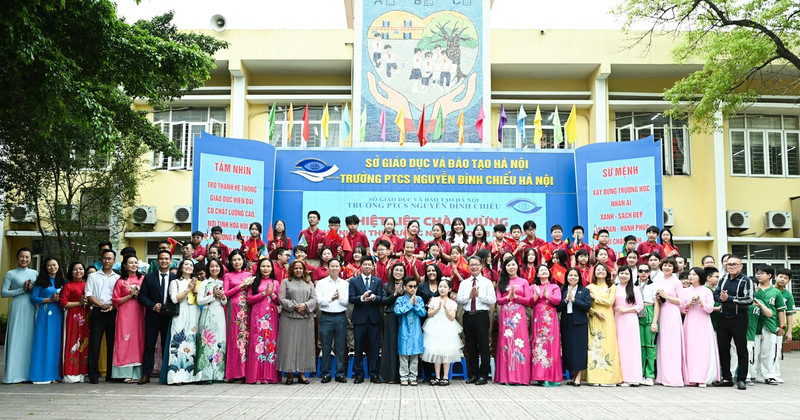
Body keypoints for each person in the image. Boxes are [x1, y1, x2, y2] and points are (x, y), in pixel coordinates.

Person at [713, 255, 754, 390]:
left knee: (741, 349)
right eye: (729, 264)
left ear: (741, 266)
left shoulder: (746, 280)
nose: (731, 267)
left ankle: (741, 379)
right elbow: (716, 294)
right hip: (724, 317)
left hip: (739, 318)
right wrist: (721, 298)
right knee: (723, 349)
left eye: (734, 264)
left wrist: (729, 298)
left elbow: (749, 300)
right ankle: (727, 378)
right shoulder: (723, 278)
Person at [456, 256, 497, 385]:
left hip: (481, 316)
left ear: (481, 266)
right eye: (471, 264)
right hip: (468, 315)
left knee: (484, 346)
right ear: (468, 266)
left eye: (476, 264)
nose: (474, 267)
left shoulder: (487, 282)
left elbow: (492, 300)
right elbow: (459, 300)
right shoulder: (464, 283)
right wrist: (469, 296)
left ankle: (483, 375)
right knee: (471, 346)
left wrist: (479, 296)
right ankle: (473, 374)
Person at [137, 250, 175, 385]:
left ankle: (166, 374)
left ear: (171, 261)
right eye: (161, 259)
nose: (164, 261)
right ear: (157, 261)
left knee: (167, 346)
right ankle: (146, 374)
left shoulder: (175, 278)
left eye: (166, 259)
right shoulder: (149, 277)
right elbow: (141, 296)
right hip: (152, 316)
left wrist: (167, 308)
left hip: (168, 317)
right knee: (149, 346)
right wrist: (153, 306)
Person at [277, 260, 317, 384]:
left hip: (305, 318)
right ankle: (289, 374)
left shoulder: (309, 283)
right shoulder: (285, 282)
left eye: (300, 268)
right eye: (296, 268)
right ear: (291, 270)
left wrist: (305, 305)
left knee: (304, 346)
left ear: (304, 270)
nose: (298, 270)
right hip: (289, 317)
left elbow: (314, 299)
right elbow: (281, 298)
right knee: (289, 346)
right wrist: (295, 306)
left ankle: (302, 373)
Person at [494, 257, 532, 385]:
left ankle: (521, 377)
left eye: (513, 265)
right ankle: (506, 377)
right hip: (506, 316)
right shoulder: (501, 282)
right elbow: (498, 300)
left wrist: (516, 297)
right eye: (508, 265)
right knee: (506, 344)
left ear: (517, 266)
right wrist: (507, 298)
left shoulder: (523, 281)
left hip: (519, 316)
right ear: (505, 267)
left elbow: (528, 300)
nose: (511, 267)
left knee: (519, 344)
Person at [2, 247, 38, 383]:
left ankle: (29, 374)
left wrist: (32, 289)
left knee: (30, 338)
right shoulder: (10, 274)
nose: (24, 259)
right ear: (17, 258)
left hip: (31, 306)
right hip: (17, 307)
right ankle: (13, 375)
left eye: (27, 257)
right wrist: (20, 290)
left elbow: (40, 290)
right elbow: (4, 293)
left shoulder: (35, 273)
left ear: (30, 259)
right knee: (15, 338)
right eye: (22, 256)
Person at [86, 248, 120, 384]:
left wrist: (111, 306)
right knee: (95, 343)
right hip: (97, 311)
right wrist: (100, 305)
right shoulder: (93, 276)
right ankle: (93, 375)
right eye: (105, 258)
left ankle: (111, 374)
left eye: (110, 258)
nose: (107, 260)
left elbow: (118, 296)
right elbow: (89, 294)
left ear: (114, 261)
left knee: (112, 343)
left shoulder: (117, 278)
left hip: (112, 312)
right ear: (102, 260)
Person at [680, 267, 719, 387]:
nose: (690, 276)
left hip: (703, 323)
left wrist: (700, 302)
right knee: (690, 349)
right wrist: (688, 304)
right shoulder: (685, 291)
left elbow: (710, 308)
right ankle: (691, 377)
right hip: (690, 322)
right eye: (690, 274)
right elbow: (681, 308)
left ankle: (702, 377)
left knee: (703, 349)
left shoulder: (706, 291)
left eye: (694, 274)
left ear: (700, 277)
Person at [349, 257, 384, 383]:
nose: (367, 266)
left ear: (373, 267)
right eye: (365, 264)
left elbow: (381, 298)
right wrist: (362, 298)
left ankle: (374, 374)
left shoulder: (378, 281)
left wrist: (375, 298)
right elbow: (351, 299)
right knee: (359, 347)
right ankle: (359, 374)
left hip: (374, 320)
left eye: (370, 264)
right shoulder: (354, 281)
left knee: (374, 348)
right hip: (359, 319)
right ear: (361, 266)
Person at [29, 257, 64, 383]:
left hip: (58, 314)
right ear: (45, 267)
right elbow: (33, 298)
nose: (52, 267)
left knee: (56, 344)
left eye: (54, 265)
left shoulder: (62, 281)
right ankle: (41, 374)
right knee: (43, 342)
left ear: (58, 266)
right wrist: (49, 300)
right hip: (45, 313)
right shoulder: (40, 282)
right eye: (49, 265)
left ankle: (55, 374)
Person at [111, 255, 145, 383]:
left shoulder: (143, 279)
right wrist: (130, 295)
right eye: (131, 263)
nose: (134, 265)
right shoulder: (120, 281)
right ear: (124, 265)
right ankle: (124, 373)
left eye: (136, 262)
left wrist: (139, 296)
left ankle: (137, 373)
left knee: (138, 340)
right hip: (124, 314)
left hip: (140, 313)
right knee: (124, 340)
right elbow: (115, 300)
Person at [246, 258, 281, 384]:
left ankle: (269, 376)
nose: (266, 269)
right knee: (257, 344)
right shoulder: (254, 281)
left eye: (268, 266)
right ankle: (256, 376)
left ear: (272, 268)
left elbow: (278, 302)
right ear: (259, 268)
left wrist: (272, 295)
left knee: (270, 344)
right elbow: (249, 300)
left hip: (271, 316)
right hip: (257, 315)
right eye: (263, 266)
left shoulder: (276, 283)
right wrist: (263, 294)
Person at [651, 257, 684, 387]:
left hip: (672, 313)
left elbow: (681, 301)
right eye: (665, 265)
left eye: (670, 265)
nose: (667, 267)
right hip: (661, 313)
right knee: (662, 344)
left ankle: (674, 377)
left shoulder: (677, 282)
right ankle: (662, 376)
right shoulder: (657, 281)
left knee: (672, 344)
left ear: (674, 267)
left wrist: (666, 296)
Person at [586, 263, 621, 385]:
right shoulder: (589, 287)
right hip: (594, 318)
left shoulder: (612, 287)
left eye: (603, 270)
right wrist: (594, 312)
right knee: (595, 346)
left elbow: (609, 302)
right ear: (594, 273)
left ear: (607, 272)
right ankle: (594, 378)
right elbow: (586, 306)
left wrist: (594, 297)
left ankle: (609, 378)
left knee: (608, 344)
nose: (600, 271)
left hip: (607, 319)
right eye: (598, 270)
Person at [422, 279, 462, 386]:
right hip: (435, 328)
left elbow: (452, 317)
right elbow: (429, 314)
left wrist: (445, 308)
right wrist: (437, 309)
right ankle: (437, 376)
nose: (442, 289)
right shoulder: (433, 300)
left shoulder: (452, 302)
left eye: (444, 287)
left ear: (449, 289)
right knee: (437, 353)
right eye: (440, 286)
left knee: (446, 353)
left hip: (447, 328)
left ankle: (445, 377)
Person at [166, 260, 200, 385]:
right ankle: (175, 376)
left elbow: (200, 299)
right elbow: (175, 299)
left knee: (192, 343)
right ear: (181, 267)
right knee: (178, 343)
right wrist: (188, 289)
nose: (188, 267)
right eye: (186, 264)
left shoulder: (197, 282)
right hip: (180, 314)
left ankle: (191, 376)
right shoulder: (175, 282)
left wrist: (195, 289)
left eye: (191, 265)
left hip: (194, 313)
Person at [751, 265, 786, 385]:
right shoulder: (753, 290)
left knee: (768, 351)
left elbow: (781, 310)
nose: (758, 275)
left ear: (769, 276)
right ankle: (752, 374)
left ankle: (769, 375)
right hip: (754, 325)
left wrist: (782, 326)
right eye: (757, 273)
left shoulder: (776, 292)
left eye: (762, 273)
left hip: (770, 325)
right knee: (754, 350)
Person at [316, 259, 349, 383]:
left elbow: (347, 301)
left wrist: (339, 298)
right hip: (326, 317)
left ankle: (340, 374)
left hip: (341, 316)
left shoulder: (345, 284)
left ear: (340, 268)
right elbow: (319, 301)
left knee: (340, 347)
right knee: (326, 346)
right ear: (328, 268)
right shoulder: (321, 283)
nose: (334, 268)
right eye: (332, 266)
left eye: (337, 266)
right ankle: (326, 373)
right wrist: (331, 299)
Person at [195, 257, 227, 383]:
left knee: (219, 341)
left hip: (219, 314)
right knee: (207, 342)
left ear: (220, 268)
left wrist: (223, 296)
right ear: (208, 268)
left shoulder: (223, 283)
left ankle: (218, 374)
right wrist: (213, 296)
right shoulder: (204, 283)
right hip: (207, 314)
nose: (215, 268)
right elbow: (199, 301)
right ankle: (205, 375)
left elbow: (224, 302)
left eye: (217, 266)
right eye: (212, 266)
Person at [530, 264, 562, 386]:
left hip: (550, 316)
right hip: (538, 316)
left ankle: (551, 376)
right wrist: (537, 295)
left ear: (549, 273)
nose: (543, 271)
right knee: (539, 343)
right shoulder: (533, 287)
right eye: (540, 270)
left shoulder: (554, 287)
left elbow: (558, 300)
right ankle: (540, 376)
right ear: (537, 274)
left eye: (545, 270)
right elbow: (530, 301)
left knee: (551, 343)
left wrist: (548, 296)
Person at [223, 249, 252, 382]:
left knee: (247, 340)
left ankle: (247, 372)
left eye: (239, 259)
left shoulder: (248, 274)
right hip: (234, 310)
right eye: (234, 259)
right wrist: (241, 286)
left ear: (243, 260)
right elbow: (226, 294)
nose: (237, 262)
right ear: (230, 261)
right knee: (235, 340)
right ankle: (235, 373)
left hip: (247, 309)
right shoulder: (228, 276)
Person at [558, 268, 591, 386]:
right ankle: (572, 375)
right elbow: (558, 307)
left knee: (579, 350)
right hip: (567, 323)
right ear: (566, 277)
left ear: (579, 278)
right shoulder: (563, 290)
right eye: (570, 275)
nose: (573, 277)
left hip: (580, 323)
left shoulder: (584, 290)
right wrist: (566, 300)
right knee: (569, 350)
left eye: (575, 275)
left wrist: (574, 300)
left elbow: (586, 306)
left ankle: (578, 377)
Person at [60, 261, 90, 383]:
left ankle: (82, 371)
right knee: (72, 342)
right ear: (70, 272)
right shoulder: (68, 286)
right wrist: (79, 303)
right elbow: (63, 302)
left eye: (81, 269)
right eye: (75, 269)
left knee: (84, 342)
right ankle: (70, 373)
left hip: (86, 316)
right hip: (72, 316)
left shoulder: (88, 284)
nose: (78, 271)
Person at [613, 266, 643, 386]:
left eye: (626, 273)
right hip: (617, 320)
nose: (623, 275)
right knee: (620, 348)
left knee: (631, 348)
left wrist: (626, 310)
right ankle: (621, 377)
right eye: (621, 273)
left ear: (631, 275)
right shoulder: (614, 288)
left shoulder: (634, 289)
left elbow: (640, 306)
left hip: (630, 320)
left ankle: (633, 378)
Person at [395, 277, 427, 386]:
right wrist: (409, 304)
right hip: (404, 331)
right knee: (403, 356)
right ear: (404, 287)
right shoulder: (400, 300)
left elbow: (423, 313)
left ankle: (413, 377)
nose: (413, 289)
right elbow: (397, 311)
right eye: (410, 286)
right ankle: (403, 377)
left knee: (414, 357)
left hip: (416, 332)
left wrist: (416, 305)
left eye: (415, 286)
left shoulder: (419, 299)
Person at [379, 262, 406, 383]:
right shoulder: (386, 286)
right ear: (392, 272)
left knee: (403, 344)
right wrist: (395, 294)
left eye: (401, 270)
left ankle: (404, 376)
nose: (398, 272)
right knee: (391, 345)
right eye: (396, 270)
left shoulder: (408, 285)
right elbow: (383, 301)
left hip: (405, 317)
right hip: (391, 316)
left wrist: (403, 293)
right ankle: (390, 376)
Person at [635, 263, 657, 386]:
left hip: (649, 312)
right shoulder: (633, 286)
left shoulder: (654, 286)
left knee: (650, 346)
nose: (643, 273)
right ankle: (640, 373)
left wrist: (654, 321)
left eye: (646, 271)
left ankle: (650, 374)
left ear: (649, 273)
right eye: (641, 271)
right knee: (640, 346)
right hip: (637, 313)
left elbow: (657, 304)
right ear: (637, 272)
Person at [775, 268, 794, 383]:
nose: (782, 279)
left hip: (779, 328)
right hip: (763, 325)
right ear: (776, 276)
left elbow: (789, 314)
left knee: (776, 351)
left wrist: (789, 331)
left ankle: (775, 374)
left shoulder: (788, 296)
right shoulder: (768, 290)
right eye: (781, 276)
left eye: (785, 278)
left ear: (788, 281)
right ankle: (760, 373)